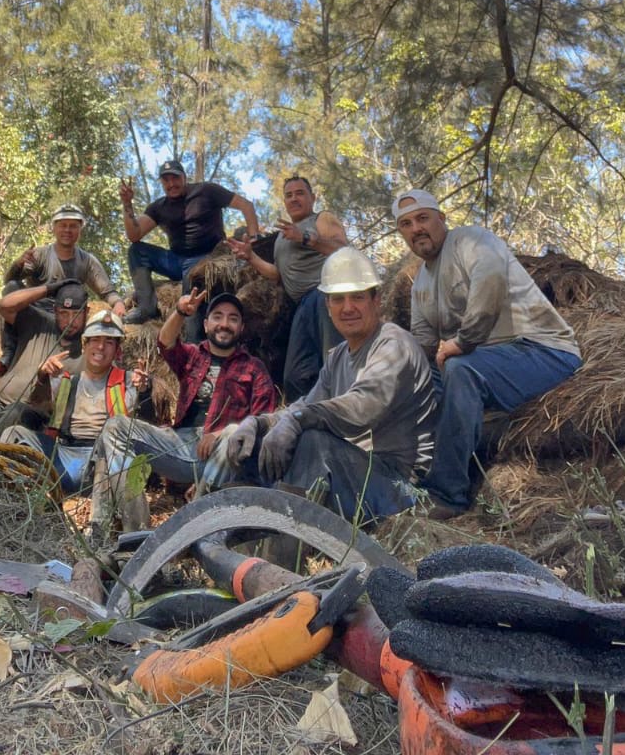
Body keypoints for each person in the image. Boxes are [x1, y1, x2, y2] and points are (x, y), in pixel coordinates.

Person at [392, 188, 582, 520]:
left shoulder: (471, 241)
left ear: (441, 218)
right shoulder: (421, 281)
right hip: (492, 366)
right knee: (417, 384)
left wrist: (463, 342)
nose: (416, 229)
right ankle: (410, 476)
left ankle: (448, 493)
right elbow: (422, 347)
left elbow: (491, 279)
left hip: (542, 351)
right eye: (406, 224)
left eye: (423, 218)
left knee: (460, 369)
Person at [223, 247, 437, 524]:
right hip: (359, 473)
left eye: (357, 297)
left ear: (376, 300)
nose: (347, 308)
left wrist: (297, 420)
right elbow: (306, 405)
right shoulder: (338, 356)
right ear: (328, 306)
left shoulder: (393, 344)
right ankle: (240, 524)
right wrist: (260, 423)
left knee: (312, 440)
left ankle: (287, 544)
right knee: (253, 445)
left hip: (399, 487)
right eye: (338, 299)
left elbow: (363, 407)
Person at [90, 288, 277, 535]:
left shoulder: (254, 368)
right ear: (207, 323)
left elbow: (264, 421)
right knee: (115, 427)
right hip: (181, 444)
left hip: (225, 455)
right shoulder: (193, 356)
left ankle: (196, 527)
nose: (225, 324)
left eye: (233, 318)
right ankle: (136, 533)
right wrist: (179, 311)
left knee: (234, 431)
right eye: (218, 316)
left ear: (241, 328)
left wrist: (220, 433)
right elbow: (164, 342)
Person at [0, 309, 151, 533]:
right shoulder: (66, 379)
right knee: (13, 433)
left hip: (101, 464)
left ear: (117, 350)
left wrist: (146, 393)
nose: (100, 347)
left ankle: (107, 531)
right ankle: (9, 511)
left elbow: (146, 427)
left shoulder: (131, 380)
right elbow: (36, 404)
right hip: (63, 458)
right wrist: (42, 376)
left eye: (109, 342)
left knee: (113, 449)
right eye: (95, 340)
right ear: (85, 345)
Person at [228, 175, 349, 400]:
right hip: (300, 305)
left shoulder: (321, 219)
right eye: (289, 195)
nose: (294, 199)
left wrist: (305, 237)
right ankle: (304, 424)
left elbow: (344, 250)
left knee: (335, 362)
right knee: (295, 375)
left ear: (312, 198)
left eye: (300, 193)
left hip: (325, 295)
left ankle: (347, 419)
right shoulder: (282, 238)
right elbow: (278, 275)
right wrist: (251, 256)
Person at [0, 203, 126, 374]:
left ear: (80, 229)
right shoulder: (40, 255)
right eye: (63, 225)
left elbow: (107, 291)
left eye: (73, 226)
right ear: (54, 228)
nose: (67, 230)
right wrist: (18, 263)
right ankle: (8, 353)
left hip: (67, 317)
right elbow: (10, 282)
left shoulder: (87, 260)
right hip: (36, 313)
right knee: (12, 288)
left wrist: (118, 303)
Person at [119, 160, 259, 325]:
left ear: (184, 177)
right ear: (162, 183)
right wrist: (127, 203)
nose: (171, 184)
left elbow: (246, 206)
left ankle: (193, 340)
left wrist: (254, 241)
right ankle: (146, 308)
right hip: (175, 260)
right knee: (136, 250)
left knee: (192, 284)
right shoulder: (159, 207)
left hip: (205, 258)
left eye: (175, 178)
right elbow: (134, 235)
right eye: (166, 180)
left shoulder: (207, 191)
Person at [0, 279, 89, 439]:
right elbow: (5, 305)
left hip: (33, 416)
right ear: (55, 311)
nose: (70, 321)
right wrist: (49, 289)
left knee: (12, 414)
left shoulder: (88, 352)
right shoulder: (39, 322)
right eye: (64, 313)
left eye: (76, 314)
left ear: (87, 313)